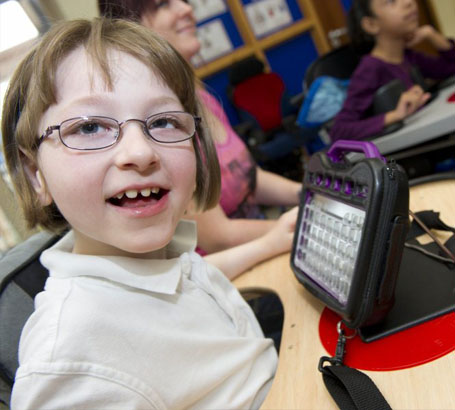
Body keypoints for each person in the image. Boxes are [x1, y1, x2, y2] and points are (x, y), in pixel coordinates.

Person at [2, 18, 278, 408]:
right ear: (35, 176)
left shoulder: (160, 254)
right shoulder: (69, 368)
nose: (140, 152)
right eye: (90, 126)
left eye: (163, 121)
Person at [98, 0, 302, 278]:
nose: (186, 9)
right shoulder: (156, 129)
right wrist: (305, 225)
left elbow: (249, 177)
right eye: (162, 4)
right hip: (223, 280)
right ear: (132, 29)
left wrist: (305, 195)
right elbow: (219, 237)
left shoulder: (203, 98)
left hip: (262, 257)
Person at [330, 0, 455, 141]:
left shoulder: (407, 56)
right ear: (371, 24)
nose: (408, 2)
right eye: (391, 2)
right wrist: (395, 115)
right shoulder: (370, 68)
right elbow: (339, 131)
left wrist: (430, 34)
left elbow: (450, 69)